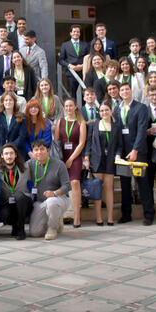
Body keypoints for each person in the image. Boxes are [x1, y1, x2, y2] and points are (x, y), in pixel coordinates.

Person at [114, 82, 155, 225]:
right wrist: (119, 152)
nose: (124, 92)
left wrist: (135, 150)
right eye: (122, 90)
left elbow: (142, 129)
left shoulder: (141, 108)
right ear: (119, 93)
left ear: (131, 91)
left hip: (138, 152)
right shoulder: (117, 109)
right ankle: (126, 214)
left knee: (142, 184)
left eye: (127, 89)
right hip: (124, 152)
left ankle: (149, 214)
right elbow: (117, 132)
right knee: (125, 184)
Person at [84, 101, 123, 226]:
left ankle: (110, 217)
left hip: (110, 160)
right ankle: (99, 218)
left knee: (109, 189)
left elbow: (119, 145)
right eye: (101, 111)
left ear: (111, 111)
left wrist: (118, 155)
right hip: (97, 160)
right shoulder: (94, 125)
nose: (104, 112)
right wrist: (87, 157)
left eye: (106, 110)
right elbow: (88, 142)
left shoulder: (117, 126)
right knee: (97, 189)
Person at [25, 139, 70, 240]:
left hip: (59, 198)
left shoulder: (59, 164)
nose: (39, 152)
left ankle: (52, 227)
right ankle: (55, 219)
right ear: (32, 152)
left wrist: (54, 193)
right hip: (40, 201)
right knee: (35, 233)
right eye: (36, 150)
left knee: (51, 202)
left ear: (48, 150)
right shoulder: (30, 164)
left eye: (42, 149)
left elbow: (67, 186)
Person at [55, 98, 87, 227]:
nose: (68, 108)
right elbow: (57, 141)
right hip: (62, 156)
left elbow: (81, 143)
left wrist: (71, 159)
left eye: (70, 106)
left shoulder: (81, 123)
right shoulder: (60, 122)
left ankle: (77, 216)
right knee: (61, 185)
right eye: (66, 106)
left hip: (75, 156)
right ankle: (60, 216)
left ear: (75, 107)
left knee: (74, 182)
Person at [0, 143, 32, 240]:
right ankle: (15, 225)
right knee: (4, 214)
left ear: (16, 155)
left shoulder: (26, 167)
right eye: (6, 154)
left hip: (24, 203)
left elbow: (39, 163)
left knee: (19, 196)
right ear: (2, 155)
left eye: (11, 153)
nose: (9, 156)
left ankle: (21, 228)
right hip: (8, 203)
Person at [0, 92, 27, 158]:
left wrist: (11, 149)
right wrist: (1, 150)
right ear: (2, 102)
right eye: (6, 100)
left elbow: (22, 135)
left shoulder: (22, 116)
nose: (8, 102)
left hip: (17, 151)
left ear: (14, 102)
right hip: (0, 152)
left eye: (10, 100)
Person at [59, 25, 91, 97]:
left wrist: (82, 65)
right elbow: (61, 60)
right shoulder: (65, 45)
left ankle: (84, 108)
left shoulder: (86, 45)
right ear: (71, 33)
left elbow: (89, 58)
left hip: (83, 72)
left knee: (85, 93)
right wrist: (70, 66)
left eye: (78, 32)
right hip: (71, 73)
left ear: (80, 33)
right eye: (74, 31)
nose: (76, 33)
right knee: (73, 94)